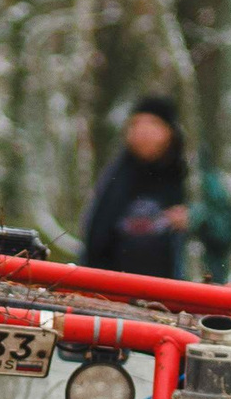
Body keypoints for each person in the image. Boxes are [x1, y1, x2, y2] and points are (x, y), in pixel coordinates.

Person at [78, 96, 189, 280]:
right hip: (117, 291)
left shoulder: (191, 176)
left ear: (170, 131)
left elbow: (223, 225)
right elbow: (96, 239)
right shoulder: (116, 177)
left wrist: (195, 219)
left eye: (152, 124)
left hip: (178, 293)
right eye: (136, 124)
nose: (142, 131)